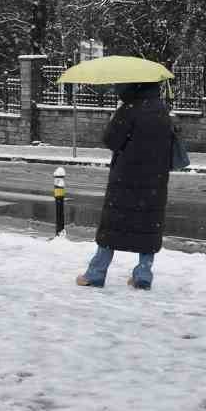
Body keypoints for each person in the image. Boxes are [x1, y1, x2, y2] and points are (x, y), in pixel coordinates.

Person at [77, 80, 175, 290]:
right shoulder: (162, 111)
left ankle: (96, 273)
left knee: (113, 224)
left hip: (126, 178)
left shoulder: (129, 110)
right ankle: (143, 275)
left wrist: (116, 118)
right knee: (149, 226)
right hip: (154, 180)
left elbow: (111, 141)